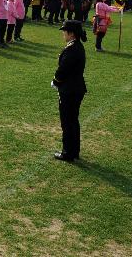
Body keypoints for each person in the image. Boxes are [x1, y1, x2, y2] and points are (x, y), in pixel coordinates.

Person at [51, 20, 87, 162]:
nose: (63, 34)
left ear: (71, 33)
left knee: (67, 121)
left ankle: (67, 152)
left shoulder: (72, 48)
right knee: (72, 120)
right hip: (76, 88)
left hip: (69, 89)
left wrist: (55, 81)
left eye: (65, 31)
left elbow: (63, 69)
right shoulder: (77, 46)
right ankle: (74, 150)